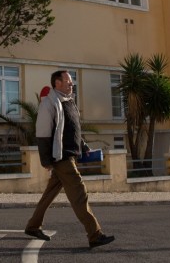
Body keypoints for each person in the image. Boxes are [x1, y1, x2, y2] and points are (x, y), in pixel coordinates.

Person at [24, 70, 115, 249]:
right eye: (68, 81)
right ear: (57, 83)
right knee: (79, 193)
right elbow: (43, 134)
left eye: (71, 81)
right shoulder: (49, 103)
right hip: (61, 157)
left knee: (49, 194)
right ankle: (94, 234)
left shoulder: (68, 102)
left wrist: (84, 146)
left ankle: (33, 226)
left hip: (69, 155)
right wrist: (46, 161)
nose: (71, 84)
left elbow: (71, 130)